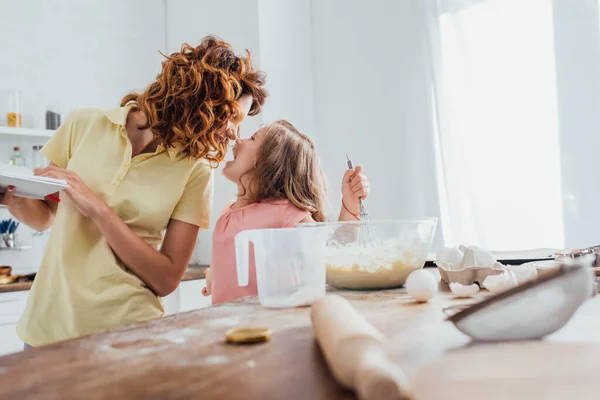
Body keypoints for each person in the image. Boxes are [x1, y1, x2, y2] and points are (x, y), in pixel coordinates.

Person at [0, 36, 267, 347]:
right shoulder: (83, 123)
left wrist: (98, 210)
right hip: (46, 327)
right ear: (199, 96)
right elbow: (46, 216)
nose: (235, 132)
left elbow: (167, 279)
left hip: (126, 334)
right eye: (232, 116)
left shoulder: (195, 170)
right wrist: (14, 197)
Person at [202, 120, 370, 304]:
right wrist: (216, 275)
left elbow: (334, 250)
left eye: (252, 138)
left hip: (267, 324)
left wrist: (350, 204)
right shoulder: (227, 211)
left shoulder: (283, 212)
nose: (239, 140)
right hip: (228, 326)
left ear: (269, 161)